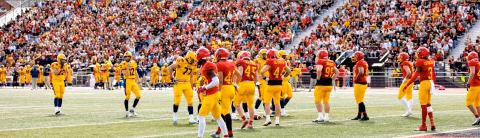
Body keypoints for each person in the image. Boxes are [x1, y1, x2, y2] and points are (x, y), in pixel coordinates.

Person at [196, 47, 228, 138]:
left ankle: (200, 137)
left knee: (201, 116)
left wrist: (204, 87)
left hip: (212, 95)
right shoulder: (206, 65)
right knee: (218, 117)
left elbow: (216, 81)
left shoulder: (208, 66)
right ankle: (226, 135)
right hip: (214, 94)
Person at [403, 47, 436, 131]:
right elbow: (433, 74)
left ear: (421, 54)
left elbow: (415, 75)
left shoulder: (420, 61)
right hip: (431, 83)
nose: (417, 54)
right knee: (428, 104)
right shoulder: (431, 61)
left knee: (423, 105)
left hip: (424, 84)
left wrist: (407, 84)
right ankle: (432, 123)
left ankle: (423, 125)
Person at [212, 48, 240, 137]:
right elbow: (239, 74)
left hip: (224, 88)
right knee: (225, 111)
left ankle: (225, 133)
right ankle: (222, 132)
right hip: (231, 87)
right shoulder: (231, 63)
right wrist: (235, 83)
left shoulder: (219, 64)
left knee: (222, 112)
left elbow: (220, 80)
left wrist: (218, 91)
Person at [260, 49, 291, 126]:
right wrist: (283, 76)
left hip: (270, 84)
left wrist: (265, 78)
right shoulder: (282, 61)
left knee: (266, 102)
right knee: (277, 103)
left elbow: (262, 71)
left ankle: (268, 119)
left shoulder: (270, 61)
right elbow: (289, 71)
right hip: (279, 85)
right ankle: (277, 120)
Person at [168, 56, 196, 125]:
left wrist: (192, 86)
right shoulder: (181, 60)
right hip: (179, 83)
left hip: (187, 83)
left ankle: (191, 118)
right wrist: (171, 77)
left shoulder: (192, 65)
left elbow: (191, 76)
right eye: (192, 59)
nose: (193, 61)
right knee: (177, 101)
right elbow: (170, 67)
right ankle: (174, 116)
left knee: (190, 101)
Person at [313, 50, 338, 122]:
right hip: (329, 84)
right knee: (326, 101)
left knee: (317, 101)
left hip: (321, 83)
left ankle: (320, 116)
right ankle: (326, 117)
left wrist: (318, 78)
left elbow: (319, 70)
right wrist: (332, 79)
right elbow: (337, 72)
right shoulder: (331, 62)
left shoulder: (321, 61)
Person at [233, 51, 257, 129]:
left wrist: (236, 84)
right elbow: (256, 77)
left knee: (236, 103)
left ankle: (244, 119)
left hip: (243, 84)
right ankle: (251, 123)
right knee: (250, 105)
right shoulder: (254, 63)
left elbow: (240, 73)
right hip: (252, 85)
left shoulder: (240, 62)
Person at [121, 51, 141, 118]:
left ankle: (132, 109)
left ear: (130, 57)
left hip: (133, 80)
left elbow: (135, 72)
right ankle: (127, 112)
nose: (126, 58)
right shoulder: (123, 64)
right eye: (125, 57)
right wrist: (128, 67)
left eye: (128, 56)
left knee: (138, 96)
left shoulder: (134, 62)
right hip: (127, 81)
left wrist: (138, 80)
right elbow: (125, 74)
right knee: (127, 97)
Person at [351, 51, 369, 121]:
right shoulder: (363, 62)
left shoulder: (360, 62)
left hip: (360, 83)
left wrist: (355, 79)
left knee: (359, 100)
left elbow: (361, 72)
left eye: (355, 56)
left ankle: (365, 115)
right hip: (363, 82)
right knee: (359, 100)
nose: (354, 57)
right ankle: (359, 115)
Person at [465, 52, 480, 126]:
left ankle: (478, 117)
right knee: (477, 104)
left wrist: (468, 82)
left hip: (474, 85)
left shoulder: (472, 62)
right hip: (479, 85)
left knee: (468, 103)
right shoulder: (478, 62)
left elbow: (472, 73)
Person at [397, 52, 414, 117]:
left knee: (400, 96)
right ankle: (409, 110)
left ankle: (408, 110)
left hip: (407, 81)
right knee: (409, 96)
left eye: (400, 57)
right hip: (411, 81)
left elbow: (409, 73)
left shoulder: (404, 63)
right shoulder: (409, 62)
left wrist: (405, 79)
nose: (399, 58)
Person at [277, 50, 293, 116]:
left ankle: (281, 108)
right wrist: (283, 75)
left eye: (285, 55)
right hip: (282, 81)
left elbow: (289, 71)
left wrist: (286, 75)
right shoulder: (279, 62)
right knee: (282, 97)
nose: (285, 56)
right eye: (284, 55)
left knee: (290, 95)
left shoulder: (287, 61)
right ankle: (282, 111)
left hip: (287, 81)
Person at [253, 49, 268, 118]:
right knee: (261, 96)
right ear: (260, 54)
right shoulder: (258, 60)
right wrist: (256, 80)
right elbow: (256, 70)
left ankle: (266, 112)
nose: (265, 55)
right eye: (264, 54)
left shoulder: (267, 60)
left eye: (266, 54)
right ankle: (255, 110)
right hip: (261, 80)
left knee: (266, 97)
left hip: (266, 80)